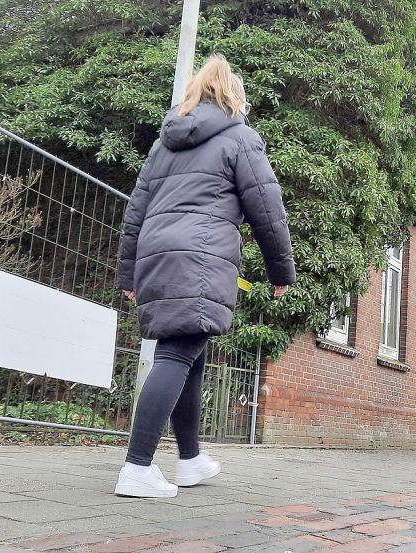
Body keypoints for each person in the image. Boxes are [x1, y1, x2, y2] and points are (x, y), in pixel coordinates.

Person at [115, 55, 295, 498]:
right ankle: (137, 468)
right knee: (176, 355)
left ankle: (191, 460)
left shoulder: (163, 146)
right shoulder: (240, 138)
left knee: (187, 352)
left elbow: (135, 212)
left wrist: (128, 271)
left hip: (158, 255)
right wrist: (281, 269)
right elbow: (267, 210)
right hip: (200, 256)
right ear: (235, 97)